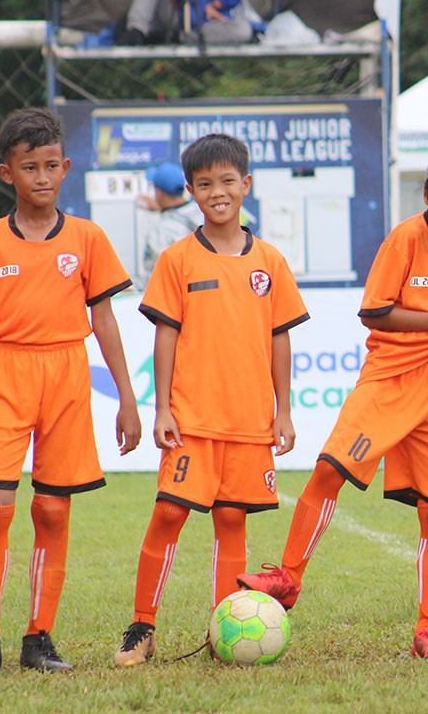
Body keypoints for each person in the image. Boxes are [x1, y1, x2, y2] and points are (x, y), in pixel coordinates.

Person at [236, 146, 428, 658]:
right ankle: (288, 578)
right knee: (328, 470)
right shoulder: (405, 237)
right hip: (390, 378)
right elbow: (375, 313)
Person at [0, 107, 142, 673]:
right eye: (29, 167)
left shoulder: (86, 237)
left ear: (66, 167)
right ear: (7, 173)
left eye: (51, 165)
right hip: (6, 376)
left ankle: (39, 640)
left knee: (53, 510)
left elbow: (104, 319)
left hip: (66, 376)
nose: (42, 177)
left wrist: (127, 399)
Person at [112, 134, 309, 666]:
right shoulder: (178, 259)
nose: (217, 192)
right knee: (170, 512)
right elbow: (166, 337)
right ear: (192, 192)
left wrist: (283, 409)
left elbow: (279, 338)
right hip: (193, 418)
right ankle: (142, 628)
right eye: (204, 184)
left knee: (231, 520)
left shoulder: (270, 261)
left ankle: (225, 627)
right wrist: (163, 408)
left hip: (249, 421)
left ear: (246, 185)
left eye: (227, 181)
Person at [139, 162, 203, 281]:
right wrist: (162, 211)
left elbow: (155, 278)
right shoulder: (203, 212)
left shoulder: (160, 229)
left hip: (173, 293)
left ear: (158, 192)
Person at [118, 0, 260, 45]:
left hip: (203, 28)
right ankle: (136, 30)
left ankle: (181, 38)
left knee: (243, 30)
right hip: (173, 17)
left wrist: (216, 6)